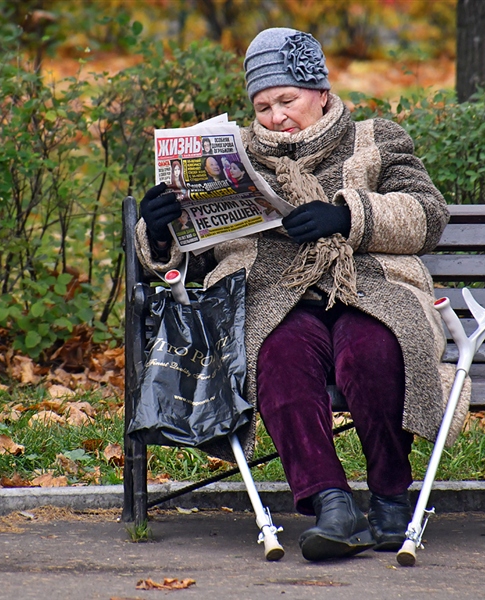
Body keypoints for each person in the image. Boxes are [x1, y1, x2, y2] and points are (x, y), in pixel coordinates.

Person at [136, 27, 456, 562]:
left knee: (375, 350)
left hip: (366, 284)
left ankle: (391, 503)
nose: (276, 116)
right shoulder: (228, 156)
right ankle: (333, 506)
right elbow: (188, 253)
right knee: (278, 357)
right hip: (270, 293)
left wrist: (348, 215)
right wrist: (159, 224)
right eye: (263, 106)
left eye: (288, 99)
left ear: (322, 92)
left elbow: (428, 213)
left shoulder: (377, 138)